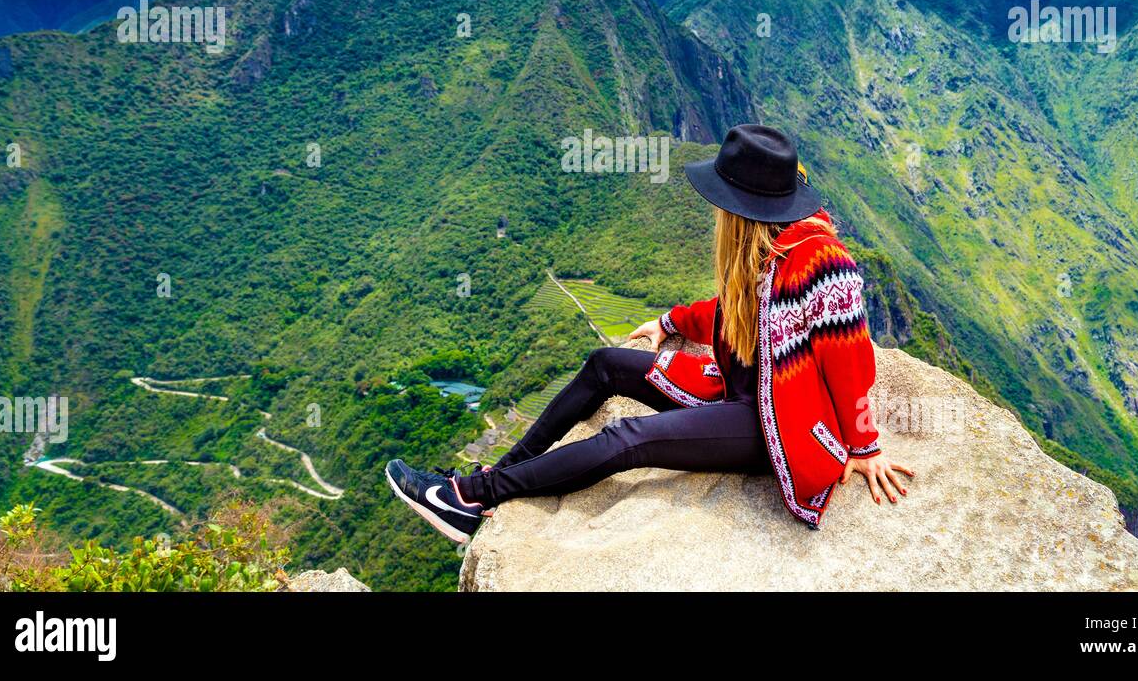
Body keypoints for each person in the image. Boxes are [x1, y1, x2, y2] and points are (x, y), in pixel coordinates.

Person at [386, 124, 913, 543]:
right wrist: (671, 322)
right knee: (605, 364)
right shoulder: (773, 245)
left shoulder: (823, 262)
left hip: (778, 424)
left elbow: (852, 367)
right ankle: (499, 474)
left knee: (627, 440)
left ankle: (471, 495)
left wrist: (864, 446)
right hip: (736, 391)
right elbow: (738, 314)